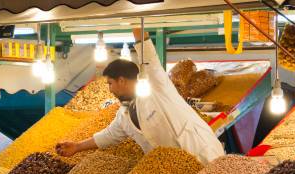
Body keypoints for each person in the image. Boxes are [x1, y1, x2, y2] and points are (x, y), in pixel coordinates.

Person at [56, 28, 224, 165]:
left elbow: (149, 56)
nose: (109, 89)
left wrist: (137, 22)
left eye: (110, 83)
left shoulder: (157, 87)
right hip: (176, 171)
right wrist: (77, 147)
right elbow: (108, 136)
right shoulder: (124, 114)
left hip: (204, 155)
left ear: (121, 81)